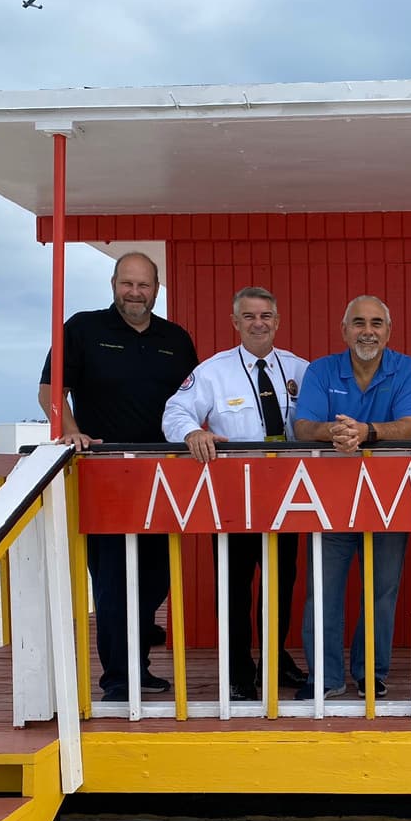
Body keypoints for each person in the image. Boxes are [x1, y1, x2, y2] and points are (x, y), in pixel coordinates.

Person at [38, 251, 198, 703]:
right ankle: (118, 679)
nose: (135, 293)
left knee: (155, 577)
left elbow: (193, 399)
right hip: (105, 474)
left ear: (156, 289)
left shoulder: (176, 338)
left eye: (143, 285)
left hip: (165, 477)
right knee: (111, 580)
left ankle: (138, 666)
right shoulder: (83, 329)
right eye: (127, 283)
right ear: (113, 283)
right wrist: (71, 434)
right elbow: (50, 390)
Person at [162, 286, 310, 699]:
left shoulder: (301, 369)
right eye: (249, 317)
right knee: (235, 583)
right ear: (236, 323)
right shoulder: (213, 371)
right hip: (233, 497)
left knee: (280, 582)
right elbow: (176, 411)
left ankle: (274, 660)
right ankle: (238, 668)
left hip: (289, 493)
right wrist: (192, 431)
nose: (258, 323)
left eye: (265, 316)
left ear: (277, 321)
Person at [292, 295, 411, 700]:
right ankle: (326, 679)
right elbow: (302, 427)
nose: (368, 331)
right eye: (359, 323)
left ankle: (371, 673)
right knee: (324, 590)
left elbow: (410, 424)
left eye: (376, 324)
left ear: (389, 331)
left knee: (382, 591)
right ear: (344, 330)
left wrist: (365, 432)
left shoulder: (409, 369)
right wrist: (334, 433)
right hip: (328, 497)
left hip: (390, 496)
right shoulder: (321, 370)